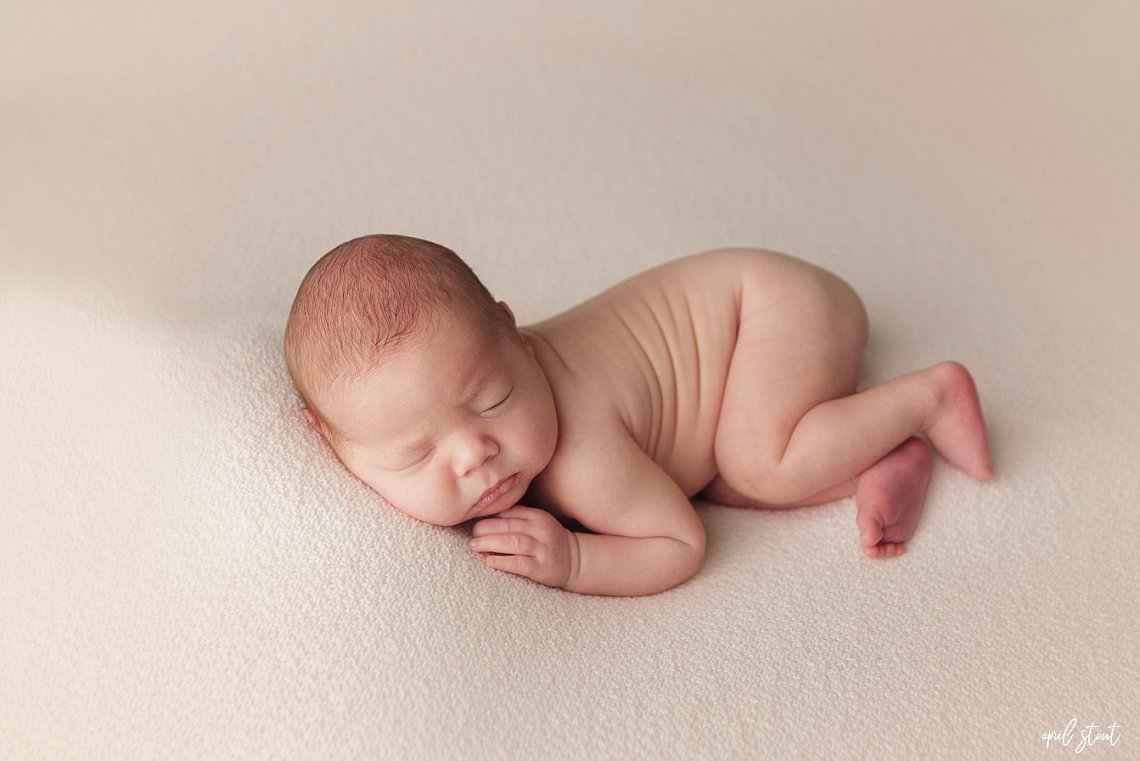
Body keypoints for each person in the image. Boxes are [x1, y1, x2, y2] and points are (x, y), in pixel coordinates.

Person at [284, 235, 992, 596]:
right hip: (752, 328)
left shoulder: (581, 453)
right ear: (332, 443)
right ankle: (877, 452)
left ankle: (926, 397)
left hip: (776, 309)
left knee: (754, 462)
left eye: (493, 399)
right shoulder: (472, 376)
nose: (476, 455)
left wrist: (576, 558)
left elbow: (679, 543)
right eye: (414, 454)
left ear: (514, 329)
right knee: (716, 476)